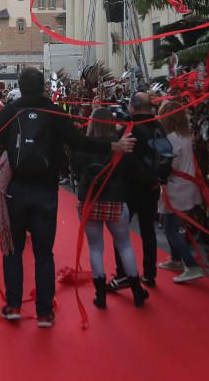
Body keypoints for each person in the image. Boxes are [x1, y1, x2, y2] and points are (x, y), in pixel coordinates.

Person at [0, 67, 135, 327]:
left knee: (13, 250)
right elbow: (77, 141)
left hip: (15, 191)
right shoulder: (53, 112)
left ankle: (13, 305)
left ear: (21, 86)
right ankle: (45, 312)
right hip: (46, 192)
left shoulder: (11, 111)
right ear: (43, 87)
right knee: (44, 253)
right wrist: (112, 145)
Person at [74, 107, 147, 309]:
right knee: (124, 245)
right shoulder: (120, 145)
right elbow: (133, 170)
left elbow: (76, 169)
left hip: (89, 200)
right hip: (115, 199)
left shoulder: (83, 146)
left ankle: (100, 295)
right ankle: (137, 291)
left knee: (95, 247)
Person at [108, 91, 162, 290]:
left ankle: (122, 273)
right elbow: (166, 154)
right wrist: (158, 178)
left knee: (120, 233)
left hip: (130, 188)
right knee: (148, 231)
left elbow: (124, 157)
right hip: (151, 187)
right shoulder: (159, 127)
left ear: (134, 107)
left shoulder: (130, 128)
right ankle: (149, 273)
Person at [155, 102, 204, 284]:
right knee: (170, 224)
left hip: (177, 187)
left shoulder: (173, 139)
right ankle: (176, 259)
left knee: (170, 227)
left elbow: (170, 164)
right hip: (185, 185)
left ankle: (191, 265)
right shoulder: (184, 136)